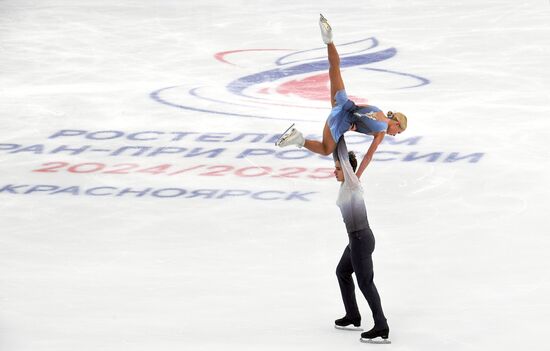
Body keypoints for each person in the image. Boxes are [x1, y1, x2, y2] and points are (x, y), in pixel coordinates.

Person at [276, 14, 407, 178]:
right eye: (398, 131)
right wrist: (357, 176)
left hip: (342, 103)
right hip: (340, 121)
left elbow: (359, 109)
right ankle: (298, 139)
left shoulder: (378, 110)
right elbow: (368, 156)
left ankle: (329, 39)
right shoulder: (380, 133)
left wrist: (355, 124)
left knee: (334, 68)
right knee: (326, 149)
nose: (394, 134)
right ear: (395, 122)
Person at [332, 136, 390, 344]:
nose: (335, 171)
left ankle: (381, 325)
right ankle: (353, 315)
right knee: (342, 272)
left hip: (360, 239)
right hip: (356, 239)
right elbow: (338, 155)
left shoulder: (351, 183)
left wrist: (338, 133)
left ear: (346, 169)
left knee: (365, 282)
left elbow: (341, 155)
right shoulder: (347, 185)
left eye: (338, 168)